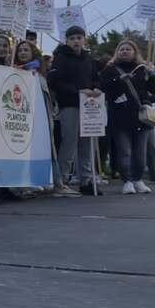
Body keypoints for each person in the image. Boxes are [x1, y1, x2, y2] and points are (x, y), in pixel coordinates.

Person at [15, 40, 80, 197]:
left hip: (42, 118)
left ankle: (56, 183)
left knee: (47, 150)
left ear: (33, 53)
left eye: (26, 50)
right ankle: (25, 184)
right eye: (20, 50)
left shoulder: (40, 73)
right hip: (21, 120)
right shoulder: (13, 71)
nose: (23, 52)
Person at [100, 40, 155, 194]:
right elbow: (104, 89)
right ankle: (127, 181)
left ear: (135, 52)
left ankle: (138, 179)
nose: (125, 51)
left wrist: (152, 74)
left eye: (128, 49)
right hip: (119, 116)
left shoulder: (142, 69)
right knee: (124, 151)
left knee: (140, 152)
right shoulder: (110, 69)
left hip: (140, 116)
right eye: (122, 49)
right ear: (117, 52)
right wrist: (118, 80)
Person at [48, 26, 102, 195]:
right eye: (72, 38)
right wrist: (77, 91)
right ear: (66, 40)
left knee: (87, 142)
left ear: (84, 40)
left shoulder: (89, 59)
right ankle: (61, 179)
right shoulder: (61, 57)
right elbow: (55, 81)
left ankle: (86, 179)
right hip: (69, 103)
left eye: (79, 37)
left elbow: (95, 78)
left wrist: (96, 88)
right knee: (69, 141)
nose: (76, 41)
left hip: (89, 105)